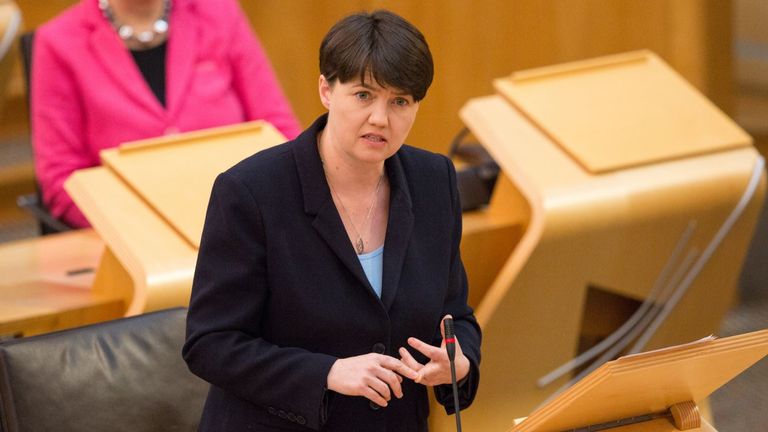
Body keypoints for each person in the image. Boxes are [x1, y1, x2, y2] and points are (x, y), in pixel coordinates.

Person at [183, 9, 481, 432]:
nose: (381, 118)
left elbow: (457, 315)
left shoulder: (434, 181)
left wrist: (457, 360)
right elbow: (210, 344)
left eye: (400, 101)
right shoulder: (251, 192)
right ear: (326, 89)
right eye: (363, 95)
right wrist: (325, 373)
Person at [31, 0, 301, 228]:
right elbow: (61, 180)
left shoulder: (219, 12)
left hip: (241, 221)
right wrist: (143, 226)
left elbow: (279, 130)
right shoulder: (58, 42)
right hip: (131, 238)